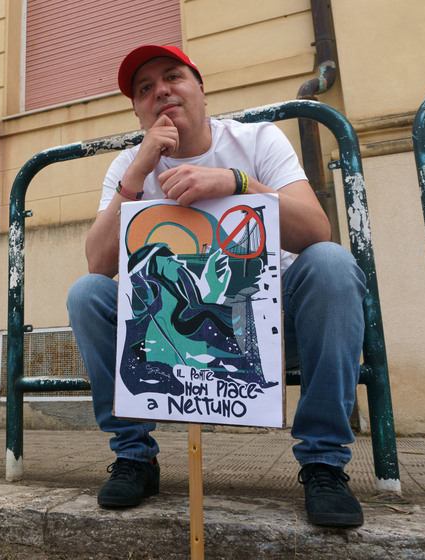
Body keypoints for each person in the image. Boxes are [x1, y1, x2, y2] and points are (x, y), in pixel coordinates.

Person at [66, 45, 365, 528]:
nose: (160, 90)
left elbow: (316, 230)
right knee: (86, 294)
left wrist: (236, 181)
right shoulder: (129, 165)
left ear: (201, 89)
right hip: (177, 329)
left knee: (330, 263)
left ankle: (323, 464)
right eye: (144, 89)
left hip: (273, 324)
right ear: (138, 111)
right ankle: (135, 456)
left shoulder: (257, 140)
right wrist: (139, 172)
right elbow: (99, 265)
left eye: (172, 77)